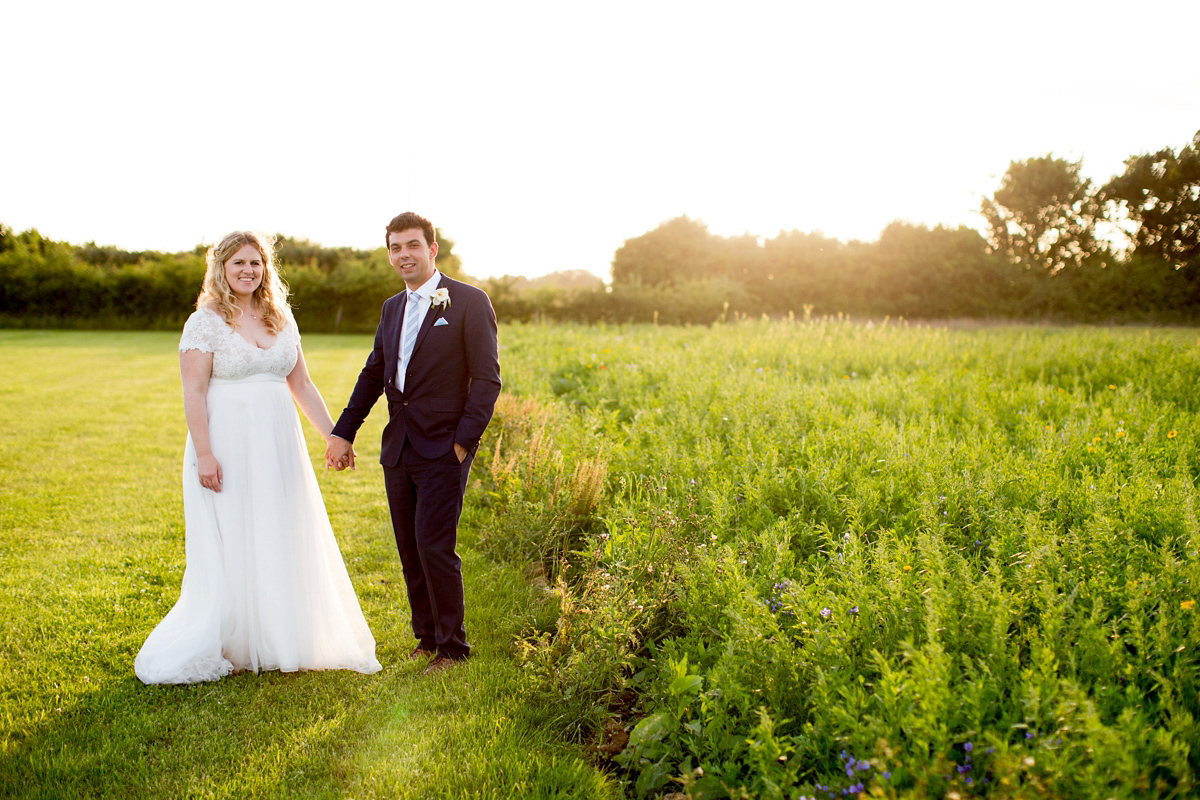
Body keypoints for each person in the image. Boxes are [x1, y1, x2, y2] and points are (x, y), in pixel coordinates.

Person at [135, 231, 381, 684]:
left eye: (256, 263)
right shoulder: (204, 322)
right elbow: (193, 391)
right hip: (226, 444)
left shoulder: (280, 318)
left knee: (279, 528)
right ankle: (235, 639)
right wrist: (205, 455)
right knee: (235, 534)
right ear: (221, 269)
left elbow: (301, 385)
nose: (248, 270)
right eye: (238, 263)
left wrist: (334, 436)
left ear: (266, 269)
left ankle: (281, 634)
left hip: (278, 444)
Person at [325, 212, 501, 676]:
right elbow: (372, 374)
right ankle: (426, 637)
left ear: (432, 249)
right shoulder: (391, 308)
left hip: (445, 447)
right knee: (409, 546)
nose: (404, 255)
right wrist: (344, 431)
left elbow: (487, 379)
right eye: (395, 248)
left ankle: (453, 648)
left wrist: (464, 442)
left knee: (434, 545)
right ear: (389, 254)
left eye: (412, 246)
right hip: (398, 446)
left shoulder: (467, 301)